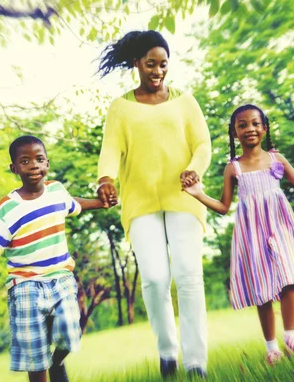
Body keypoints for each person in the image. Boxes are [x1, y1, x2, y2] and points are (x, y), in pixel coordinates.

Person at [183, 104, 294, 365]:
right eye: (242, 125)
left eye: (254, 123)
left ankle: (291, 338)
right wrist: (199, 195)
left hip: (281, 225)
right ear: (234, 133)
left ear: (264, 128)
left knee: (289, 278)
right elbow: (224, 207)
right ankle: (272, 348)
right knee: (262, 287)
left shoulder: (276, 159)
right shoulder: (233, 168)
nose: (249, 128)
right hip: (252, 231)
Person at [96, 30, 211, 378]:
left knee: (189, 275)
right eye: (151, 64)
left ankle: (195, 362)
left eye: (163, 64)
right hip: (140, 201)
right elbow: (111, 150)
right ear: (137, 64)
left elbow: (202, 144)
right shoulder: (121, 107)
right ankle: (167, 352)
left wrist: (194, 170)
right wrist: (106, 179)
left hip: (183, 197)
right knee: (156, 279)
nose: (158, 70)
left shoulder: (185, 101)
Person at [0, 135, 104, 382]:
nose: (34, 165)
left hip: (61, 276)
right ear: (14, 168)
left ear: (47, 164)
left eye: (39, 159)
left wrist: (100, 202)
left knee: (70, 330)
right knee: (34, 349)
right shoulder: (8, 208)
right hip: (24, 285)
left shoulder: (56, 191)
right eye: (25, 161)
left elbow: (75, 204)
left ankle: (57, 362)